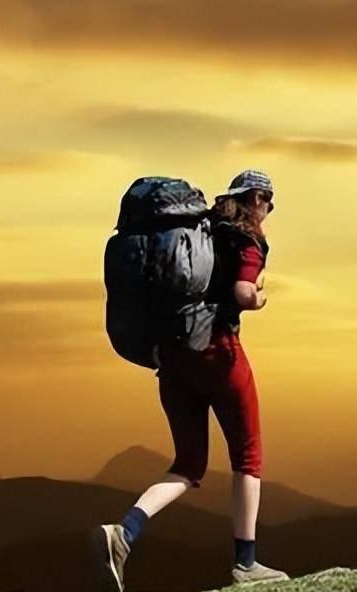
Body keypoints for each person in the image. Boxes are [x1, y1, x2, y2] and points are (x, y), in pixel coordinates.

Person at [92, 170, 287, 591]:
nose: (269, 210)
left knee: (188, 464)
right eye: (269, 202)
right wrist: (260, 297)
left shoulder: (200, 230)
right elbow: (241, 293)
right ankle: (246, 562)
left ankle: (124, 533)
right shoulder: (246, 237)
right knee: (248, 457)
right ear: (256, 198)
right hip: (220, 355)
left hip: (173, 358)